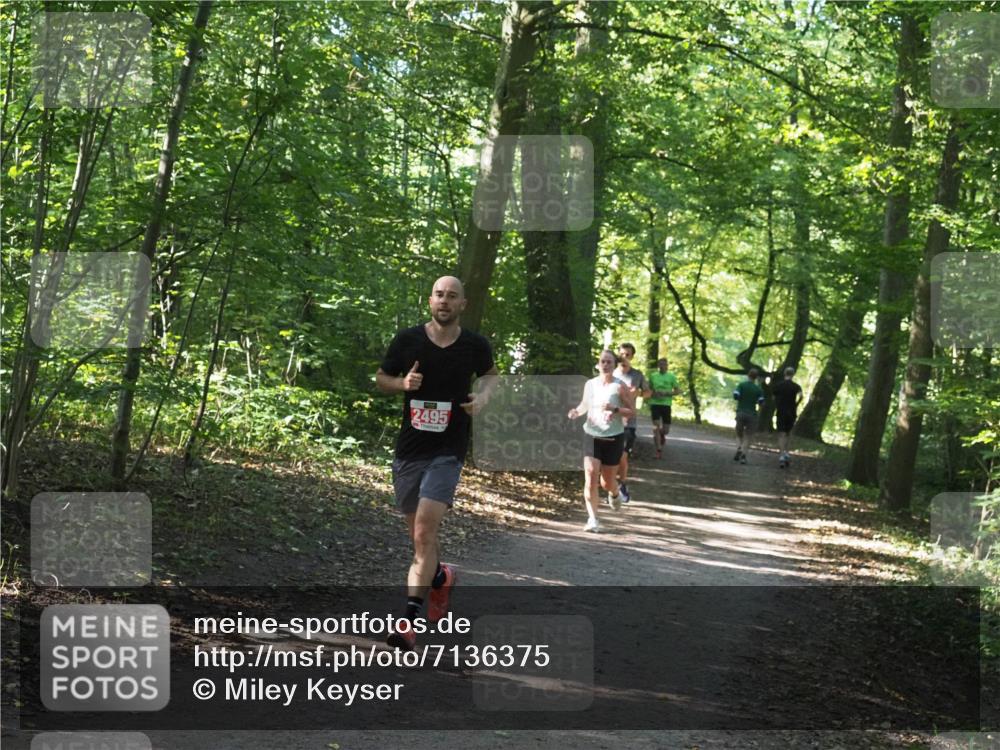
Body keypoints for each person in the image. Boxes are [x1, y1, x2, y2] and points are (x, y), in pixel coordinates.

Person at [375, 276, 498, 651]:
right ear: (430, 301)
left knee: (425, 531)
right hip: (409, 451)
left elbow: (492, 376)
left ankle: (408, 623)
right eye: (439, 295)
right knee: (418, 537)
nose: (444, 301)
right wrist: (402, 385)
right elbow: (382, 379)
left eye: (452, 296)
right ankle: (442, 576)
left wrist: (483, 398)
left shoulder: (475, 345)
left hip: (449, 449)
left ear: (464, 304)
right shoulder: (407, 340)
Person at [568, 350, 635, 532]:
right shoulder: (590, 384)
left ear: (614, 366)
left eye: (609, 362)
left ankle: (615, 493)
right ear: (598, 364)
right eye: (602, 362)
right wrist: (576, 411)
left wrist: (615, 409)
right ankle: (593, 519)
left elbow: (631, 411)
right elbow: (584, 405)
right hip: (591, 435)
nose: (605, 365)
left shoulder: (620, 386)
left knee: (607, 483)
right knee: (590, 476)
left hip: (613, 437)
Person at [612, 343, 651, 503]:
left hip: (629, 422)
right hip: (610, 421)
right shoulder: (611, 373)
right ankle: (610, 485)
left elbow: (649, 393)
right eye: (622, 354)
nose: (624, 357)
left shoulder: (637, 375)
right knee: (609, 456)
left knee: (622, 455)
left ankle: (622, 484)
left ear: (632, 356)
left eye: (628, 354)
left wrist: (639, 393)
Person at [647, 357, 682, 459]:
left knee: (666, 430)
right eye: (660, 364)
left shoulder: (671, 377)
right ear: (658, 365)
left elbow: (678, 390)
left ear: (667, 366)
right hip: (655, 404)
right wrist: (654, 393)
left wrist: (667, 393)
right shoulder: (653, 376)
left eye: (664, 365)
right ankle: (658, 450)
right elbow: (648, 389)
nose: (662, 366)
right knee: (656, 427)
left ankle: (661, 435)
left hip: (666, 405)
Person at [772, 366, 803, 468]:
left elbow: (773, 396)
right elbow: (801, 396)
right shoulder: (796, 386)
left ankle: (781, 455)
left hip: (781, 411)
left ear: (784, 374)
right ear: (793, 374)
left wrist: (777, 404)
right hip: (791, 412)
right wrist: (796, 404)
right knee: (788, 433)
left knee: (781, 434)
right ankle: (786, 452)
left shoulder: (778, 385)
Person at [733, 368, 765, 465]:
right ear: (756, 378)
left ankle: (739, 447)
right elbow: (761, 402)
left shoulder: (741, 385)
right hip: (752, 414)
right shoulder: (758, 389)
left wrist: (741, 399)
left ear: (748, 375)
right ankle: (743, 455)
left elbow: (735, 395)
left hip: (741, 412)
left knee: (739, 434)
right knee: (748, 436)